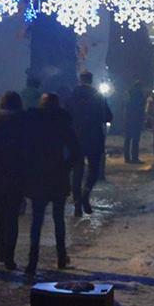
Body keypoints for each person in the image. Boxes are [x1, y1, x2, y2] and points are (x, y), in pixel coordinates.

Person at [23, 92, 80, 278]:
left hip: (38, 178)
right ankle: (61, 256)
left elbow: (26, 150)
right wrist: (66, 166)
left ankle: (32, 262)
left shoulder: (33, 123)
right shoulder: (63, 123)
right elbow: (76, 151)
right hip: (58, 177)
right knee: (58, 219)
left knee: (37, 221)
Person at [0, 91, 29, 270]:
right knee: (12, 216)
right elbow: (28, 147)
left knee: (1, 213)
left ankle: (2, 249)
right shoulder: (23, 123)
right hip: (17, 170)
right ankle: (9, 255)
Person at [67, 71, 113, 216]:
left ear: (80, 80)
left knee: (77, 171)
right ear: (91, 80)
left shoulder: (72, 96)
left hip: (76, 137)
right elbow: (108, 116)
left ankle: (77, 203)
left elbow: (66, 115)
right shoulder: (98, 96)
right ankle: (86, 193)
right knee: (93, 169)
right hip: (94, 138)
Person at [122, 79, 146, 163]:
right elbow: (141, 108)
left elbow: (125, 106)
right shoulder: (139, 95)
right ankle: (134, 157)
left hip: (128, 119)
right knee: (135, 139)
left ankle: (127, 157)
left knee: (127, 139)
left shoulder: (129, 94)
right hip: (136, 120)